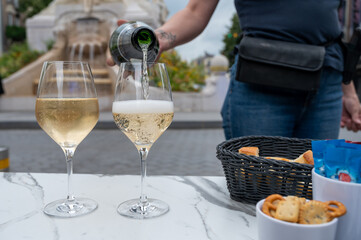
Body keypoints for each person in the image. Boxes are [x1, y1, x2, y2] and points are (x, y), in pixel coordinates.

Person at [107, 0, 361, 140]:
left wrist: (346, 91)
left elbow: (332, 28)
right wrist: (159, 38)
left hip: (326, 80)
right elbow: (195, 12)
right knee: (258, 191)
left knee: (316, 186)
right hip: (261, 82)